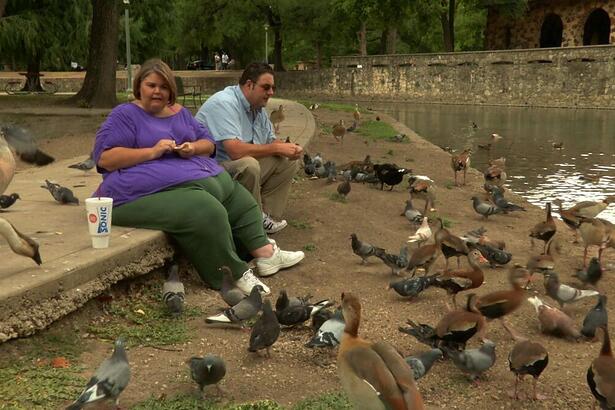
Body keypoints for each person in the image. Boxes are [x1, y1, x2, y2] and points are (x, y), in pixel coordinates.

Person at [92, 58, 304, 297]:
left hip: (196, 178)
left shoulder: (179, 112)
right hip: (131, 195)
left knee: (240, 199)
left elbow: (208, 142)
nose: (157, 91)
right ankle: (231, 274)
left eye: (163, 87)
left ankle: (265, 253)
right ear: (140, 86)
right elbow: (105, 158)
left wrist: (192, 148)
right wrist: (152, 151)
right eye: (151, 85)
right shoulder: (125, 115)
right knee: (205, 209)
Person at [195, 62, 301, 234]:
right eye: (266, 87)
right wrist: (275, 148)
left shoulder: (257, 108)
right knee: (249, 165)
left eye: (273, 88)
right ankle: (252, 228)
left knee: (286, 161)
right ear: (249, 85)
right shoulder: (224, 103)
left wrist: (290, 148)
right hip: (210, 172)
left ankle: (265, 217)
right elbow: (235, 150)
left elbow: (270, 141)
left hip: (233, 168)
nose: (271, 93)